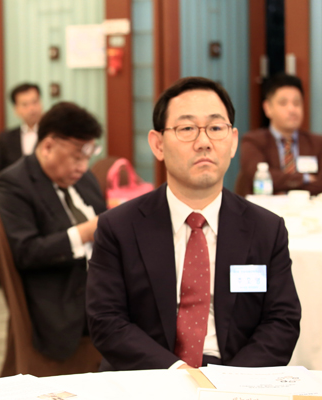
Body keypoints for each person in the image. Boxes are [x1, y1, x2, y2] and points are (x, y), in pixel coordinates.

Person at [87, 77, 301, 371]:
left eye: (216, 128)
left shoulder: (266, 229)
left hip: (235, 376)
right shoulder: (119, 227)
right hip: (149, 375)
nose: (204, 142)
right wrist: (178, 373)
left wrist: (230, 382)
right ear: (158, 144)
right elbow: (106, 321)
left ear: (233, 141)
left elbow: (282, 321)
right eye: (187, 129)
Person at [0, 101, 106, 361]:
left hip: (104, 284)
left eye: (88, 158)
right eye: (77, 157)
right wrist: (85, 233)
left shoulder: (84, 179)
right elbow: (26, 252)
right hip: (64, 297)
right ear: (47, 147)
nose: (83, 167)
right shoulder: (14, 184)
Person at [235, 73, 322, 196]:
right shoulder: (253, 141)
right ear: (267, 108)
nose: (292, 109)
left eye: (297, 103)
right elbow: (256, 176)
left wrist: (279, 185)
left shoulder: (317, 143)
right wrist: (304, 178)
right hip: (263, 207)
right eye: (283, 103)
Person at [0, 83, 43, 174]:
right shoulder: (6, 138)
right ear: (16, 109)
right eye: (25, 104)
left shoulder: (52, 134)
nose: (31, 108)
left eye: (35, 102)